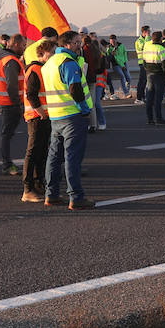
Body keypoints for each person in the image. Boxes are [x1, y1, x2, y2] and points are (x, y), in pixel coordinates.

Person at [44, 31, 95, 210]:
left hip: (55, 115)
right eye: (76, 42)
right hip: (72, 116)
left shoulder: (49, 63)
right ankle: (76, 196)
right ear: (66, 45)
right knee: (72, 157)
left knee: (54, 157)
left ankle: (51, 194)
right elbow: (75, 89)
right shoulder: (68, 63)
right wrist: (84, 109)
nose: (79, 45)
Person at [21, 40, 55, 203]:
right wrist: (41, 113)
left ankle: (38, 182)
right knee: (33, 152)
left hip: (44, 116)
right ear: (42, 54)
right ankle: (27, 189)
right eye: (51, 53)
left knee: (42, 152)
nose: (53, 56)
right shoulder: (35, 70)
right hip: (36, 117)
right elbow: (32, 95)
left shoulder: (43, 69)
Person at [0, 35, 27, 175]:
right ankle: (7, 165)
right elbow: (12, 85)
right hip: (11, 103)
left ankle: (7, 164)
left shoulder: (7, 59)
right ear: (17, 44)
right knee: (6, 134)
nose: (24, 48)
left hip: (8, 102)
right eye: (23, 45)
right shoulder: (11, 61)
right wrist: (18, 103)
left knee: (6, 133)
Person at [140, 30, 165, 126]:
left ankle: (150, 119)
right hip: (159, 75)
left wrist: (147, 69)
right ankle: (159, 118)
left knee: (149, 97)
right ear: (161, 39)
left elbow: (143, 60)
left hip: (149, 73)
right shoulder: (160, 48)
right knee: (158, 98)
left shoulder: (147, 46)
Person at [83, 34, 108, 132]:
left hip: (98, 81)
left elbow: (102, 70)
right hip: (94, 81)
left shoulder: (100, 56)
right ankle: (95, 123)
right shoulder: (95, 55)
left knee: (95, 103)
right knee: (93, 103)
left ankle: (101, 122)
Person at [134, 25, 152, 103]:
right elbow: (145, 47)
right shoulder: (139, 41)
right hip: (142, 63)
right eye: (148, 31)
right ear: (144, 32)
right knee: (142, 80)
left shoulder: (148, 39)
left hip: (148, 62)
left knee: (145, 81)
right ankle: (138, 98)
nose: (150, 33)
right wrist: (148, 37)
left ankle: (143, 96)